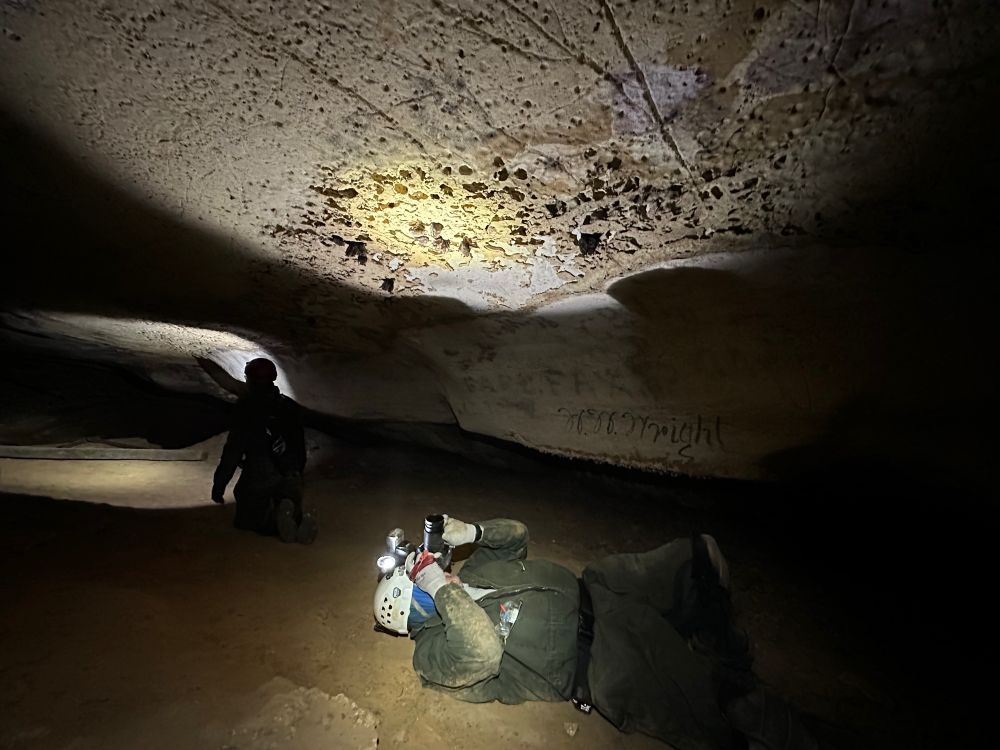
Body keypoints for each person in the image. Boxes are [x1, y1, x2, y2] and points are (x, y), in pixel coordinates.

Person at [374, 517, 816, 750]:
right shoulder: (431, 652)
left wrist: (473, 531)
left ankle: (715, 643)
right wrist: (441, 587)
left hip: (600, 588)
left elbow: (517, 538)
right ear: (412, 606)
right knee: (730, 707)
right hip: (601, 660)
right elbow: (482, 652)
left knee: (700, 560)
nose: (435, 569)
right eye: (422, 578)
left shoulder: (474, 572)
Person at [211, 357, 317, 544]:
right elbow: (299, 442)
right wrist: (297, 472)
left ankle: (273, 522)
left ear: (249, 379)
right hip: (290, 470)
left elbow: (233, 450)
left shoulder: (246, 407)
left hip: (261, 469)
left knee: (245, 517)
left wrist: (219, 485)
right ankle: (293, 511)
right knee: (286, 495)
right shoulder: (288, 405)